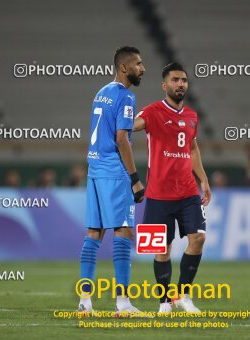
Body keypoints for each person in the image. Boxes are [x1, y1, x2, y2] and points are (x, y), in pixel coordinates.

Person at [133, 62, 211, 313]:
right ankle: (164, 301)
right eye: (175, 80)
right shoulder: (152, 111)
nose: (180, 84)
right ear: (164, 85)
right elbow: (132, 125)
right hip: (158, 194)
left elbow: (192, 148)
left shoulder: (191, 116)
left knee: (198, 238)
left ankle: (183, 295)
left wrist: (204, 180)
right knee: (161, 250)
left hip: (188, 192)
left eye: (184, 80)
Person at [78, 46, 146, 316]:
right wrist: (135, 179)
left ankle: (85, 301)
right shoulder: (126, 97)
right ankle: (123, 303)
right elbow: (122, 139)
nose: (143, 68)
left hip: (94, 168)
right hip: (114, 171)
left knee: (94, 232)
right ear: (124, 68)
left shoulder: (101, 92)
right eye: (138, 64)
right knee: (124, 231)